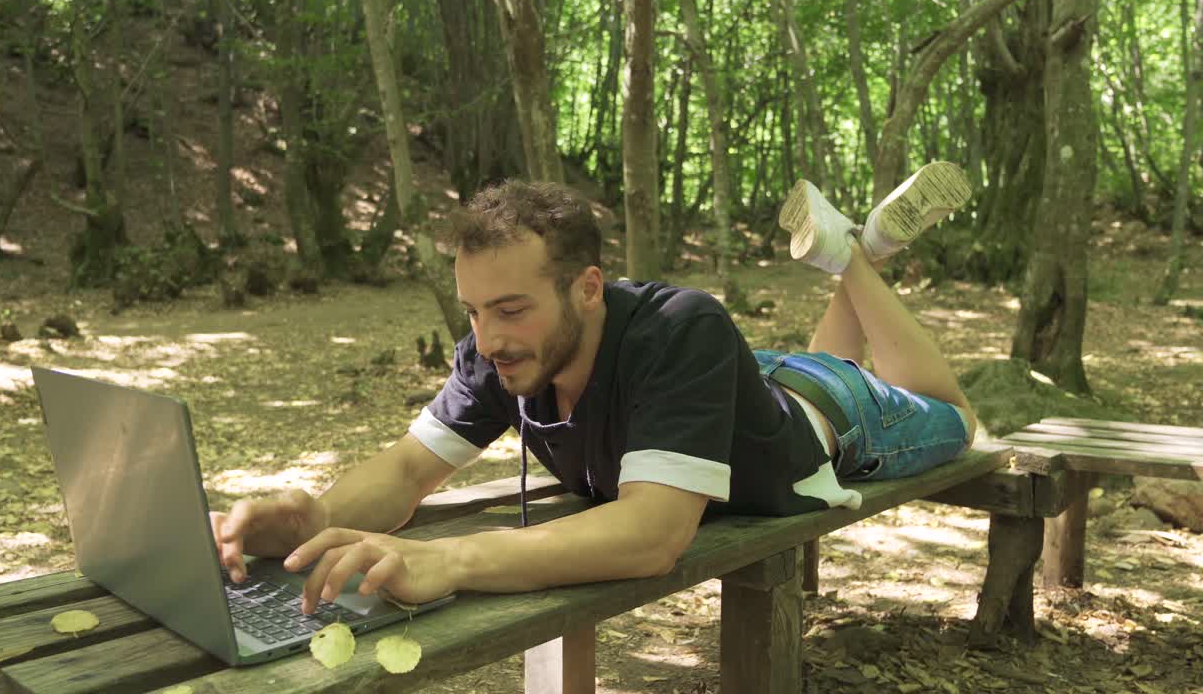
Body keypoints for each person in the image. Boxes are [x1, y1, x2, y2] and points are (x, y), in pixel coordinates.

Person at [211, 161, 979, 616]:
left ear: (587, 289)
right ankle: (859, 247)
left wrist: (450, 562)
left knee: (957, 420)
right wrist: (310, 514)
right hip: (738, 385)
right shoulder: (502, 350)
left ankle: (856, 256)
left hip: (838, 418)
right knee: (804, 366)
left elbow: (652, 535)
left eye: (511, 309)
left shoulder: (683, 329)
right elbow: (410, 470)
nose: (487, 338)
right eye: (474, 309)